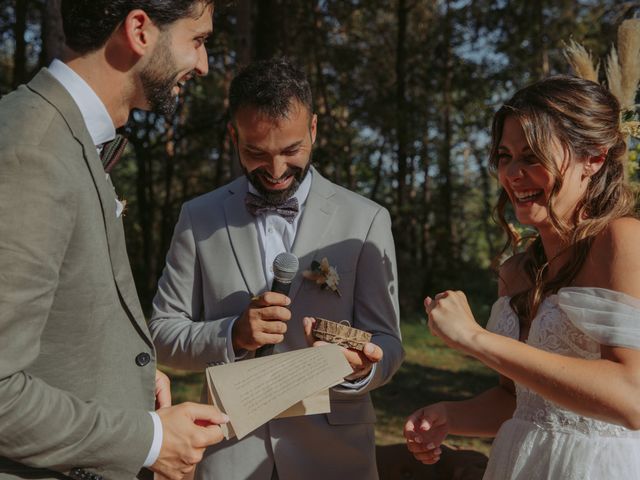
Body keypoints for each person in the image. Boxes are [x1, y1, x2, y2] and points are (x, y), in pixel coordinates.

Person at [0, 2, 229, 479]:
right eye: (198, 40)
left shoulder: (67, 137)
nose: (204, 65)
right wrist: (148, 441)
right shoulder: (33, 150)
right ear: (140, 30)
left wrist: (129, 378)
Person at [149, 57, 404, 480]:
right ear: (234, 136)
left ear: (314, 129)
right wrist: (233, 334)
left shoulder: (367, 220)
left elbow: (389, 342)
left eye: (291, 150)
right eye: (256, 152)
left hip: (334, 457)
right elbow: (161, 333)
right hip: (230, 452)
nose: (277, 170)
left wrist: (361, 368)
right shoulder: (199, 217)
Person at [404, 75, 640, 479]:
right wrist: (449, 416)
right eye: (504, 156)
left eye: (532, 157)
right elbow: (520, 400)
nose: (512, 174)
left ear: (594, 159)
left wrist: (477, 339)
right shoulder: (514, 272)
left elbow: (631, 396)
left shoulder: (622, 240)